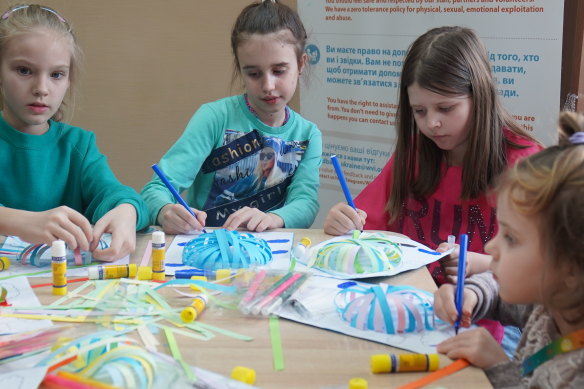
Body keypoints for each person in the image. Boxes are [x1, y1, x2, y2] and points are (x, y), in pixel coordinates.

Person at [323, 26, 542, 345]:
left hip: (489, 323)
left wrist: (483, 264)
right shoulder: (414, 153)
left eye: (445, 108)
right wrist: (344, 222)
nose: (431, 124)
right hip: (412, 310)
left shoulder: (524, 164)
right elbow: (368, 230)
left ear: (479, 95)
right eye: (419, 111)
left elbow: (550, 272)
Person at [141, 0, 322, 234]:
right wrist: (164, 211)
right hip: (209, 249)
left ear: (300, 64)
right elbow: (155, 189)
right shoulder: (214, 118)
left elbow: (306, 203)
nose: (268, 85)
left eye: (279, 71)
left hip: (272, 252)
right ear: (240, 69)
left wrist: (274, 218)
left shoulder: (308, 134)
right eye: (254, 73)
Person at [433, 111, 584, 388]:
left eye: (511, 238)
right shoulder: (553, 303)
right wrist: (471, 295)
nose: (491, 246)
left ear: (571, 267)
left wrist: (498, 366)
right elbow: (502, 298)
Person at [0, 4, 148, 261]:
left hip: (59, 291)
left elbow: (114, 193)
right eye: (24, 71)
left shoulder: (78, 144)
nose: (41, 88)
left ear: (69, 80)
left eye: (57, 74)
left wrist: (126, 210)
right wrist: (18, 221)